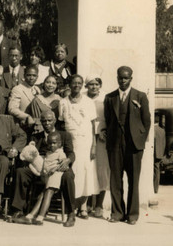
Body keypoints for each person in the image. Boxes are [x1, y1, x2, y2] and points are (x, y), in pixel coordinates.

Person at [11, 111, 76, 227]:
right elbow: (31, 153)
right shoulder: (36, 137)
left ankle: (71, 214)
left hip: (58, 167)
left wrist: (67, 161)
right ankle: (18, 211)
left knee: (69, 176)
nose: (47, 123)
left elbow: (71, 154)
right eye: (44, 121)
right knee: (21, 172)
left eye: (49, 120)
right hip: (39, 168)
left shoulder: (64, 135)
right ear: (41, 122)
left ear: (55, 121)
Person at [104, 66, 151, 225]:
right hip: (115, 144)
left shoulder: (141, 96)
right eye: (120, 78)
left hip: (134, 146)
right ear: (116, 78)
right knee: (115, 180)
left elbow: (147, 121)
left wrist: (140, 140)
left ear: (131, 78)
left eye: (126, 78)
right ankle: (117, 213)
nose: (122, 80)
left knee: (133, 180)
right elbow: (108, 119)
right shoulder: (109, 97)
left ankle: (132, 215)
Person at [59, 74, 99, 219]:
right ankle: (73, 206)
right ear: (69, 84)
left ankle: (83, 207)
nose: (76, 85)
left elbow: (94, 125)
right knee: (74, 173)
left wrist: (93, 145)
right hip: (71, 143)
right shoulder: (63, 102)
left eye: (79, 83)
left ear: (83, 85)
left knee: (86, 172)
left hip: (86, 141)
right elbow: (62, 124)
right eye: (74, 83)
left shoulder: (88, 102)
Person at [20, 132, 67, 225]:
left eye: (54, 143)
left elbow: (64, 165)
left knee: (48, 193)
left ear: (59, 144)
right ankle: (30, 216)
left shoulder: (61, 153)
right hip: (48, 178)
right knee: (42, 195)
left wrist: (55, 168)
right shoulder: (48, 153)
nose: (52, 145)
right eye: (49, 143)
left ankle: (40, 217)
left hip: (56, 176)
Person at [85, 75, 109, 217]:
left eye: (96, 84)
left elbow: (110, 118)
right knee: (88, 168)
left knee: (102, 170)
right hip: (86, 137)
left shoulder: (106, 99)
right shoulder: (82, 98)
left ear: (100, 85)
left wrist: (103, 131)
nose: (93, 87)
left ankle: (99, 205)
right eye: (90, 84)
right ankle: (87, 203)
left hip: (101, 138)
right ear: (86, 86)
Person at [153, 115, 166, 194]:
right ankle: (155, 189)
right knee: (157, 171)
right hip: (159, 154)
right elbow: (164, 143)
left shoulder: (152, 130)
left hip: (153, 153)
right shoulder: (162, 130)